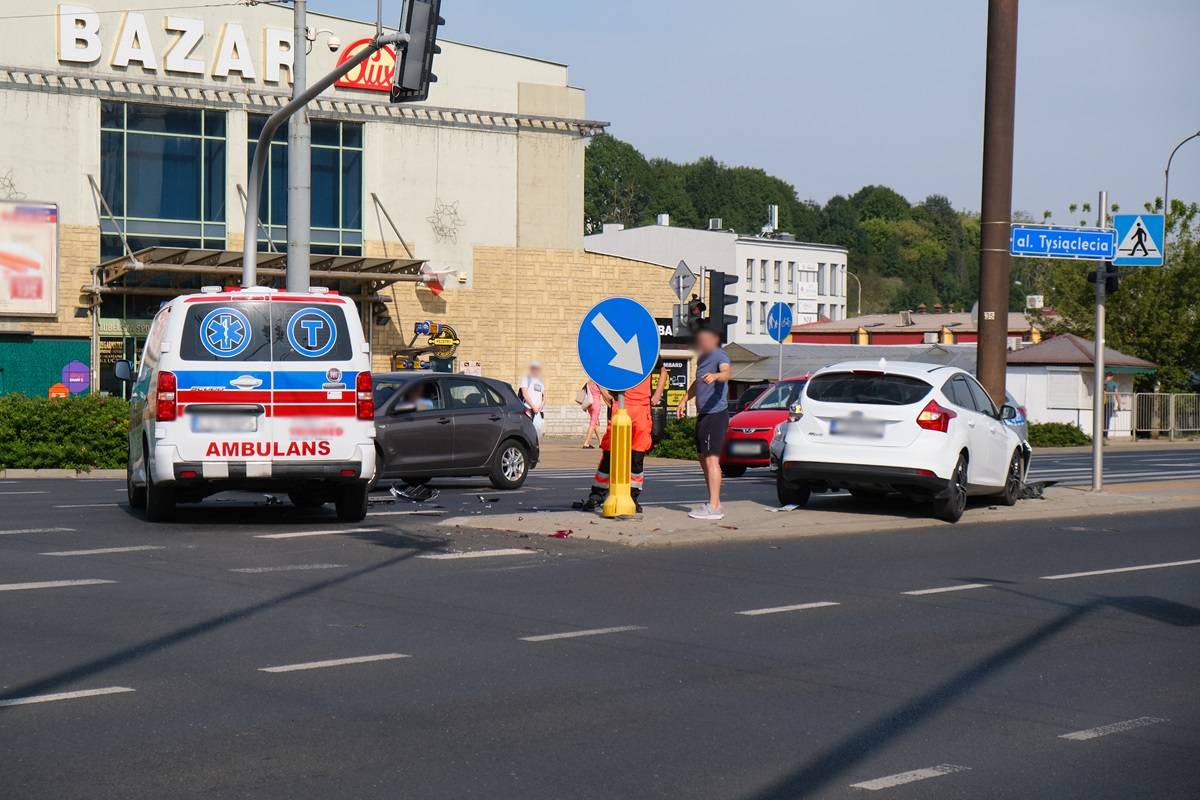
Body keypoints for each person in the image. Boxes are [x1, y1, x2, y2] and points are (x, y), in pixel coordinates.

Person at [581, 364, 668, 514]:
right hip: (619, 405)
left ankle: (632, 498)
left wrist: (656, 395)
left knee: (637, 456)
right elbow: (598, 370)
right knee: (610, 455)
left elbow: (663, 371)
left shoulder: (648, 350)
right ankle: (597, 496)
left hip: (642, 408)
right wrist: (603, 391)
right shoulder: (617, 348)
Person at [679, 321, 731, 520]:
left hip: (716, 414)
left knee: (711, 459)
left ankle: (715, 507)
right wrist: (684, 399)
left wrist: (717, 375)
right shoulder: (703, 358)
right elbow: (697, 382)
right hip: (704, 414)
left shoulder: (719, 354)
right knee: (703, 457)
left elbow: (727, 372)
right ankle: (713, 497)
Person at [519, 361, 546, 441]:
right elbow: (524, 393)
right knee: (528, 431)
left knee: (538, 430)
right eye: (534, 369)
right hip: (529, 409)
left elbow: (544, 396)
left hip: (539, 410)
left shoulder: (540, 381)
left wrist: (541, 406)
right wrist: (533, 406)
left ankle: (535, 445)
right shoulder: (526, 379)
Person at [581, 379, 603, 449]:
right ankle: (586, 443)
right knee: (593, 423)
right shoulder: (599, 382)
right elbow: (604, 393)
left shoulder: (589, 382)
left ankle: (601, 443)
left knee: (595, 423)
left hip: (589, 404)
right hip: (596, 403)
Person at [1103, 372, 1120, 439]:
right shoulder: (1113, 383)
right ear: (1112, 376)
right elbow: (1117, 394)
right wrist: (1119, 404)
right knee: (1107, 418)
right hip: (1110, 402)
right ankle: (1105, 435)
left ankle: (1100, 434)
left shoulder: (1102, 382)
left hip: (1101, 403)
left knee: (1101, 418)